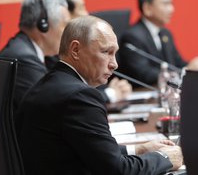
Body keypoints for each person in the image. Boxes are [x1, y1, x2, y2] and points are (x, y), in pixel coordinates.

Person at [16, 16, 183, 175]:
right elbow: (119, 171)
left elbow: (90, 151)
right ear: (75, 50)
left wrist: (139, 149)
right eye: (106, 52)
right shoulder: (79, 97)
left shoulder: (51, 83)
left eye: (114, 53)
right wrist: (165, 158)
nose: (114, 64)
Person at [52, 0, 132, 103]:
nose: (87, 13)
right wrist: (110, 94)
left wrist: (114, 89)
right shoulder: (54, 50)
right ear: (66, 14)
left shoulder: (89, 54)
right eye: (81, 7)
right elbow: (69, 95)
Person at [119, 0, 198, 85]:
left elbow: (177, 63)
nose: (171, 9)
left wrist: (195, 67)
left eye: (171, 4)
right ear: (147, 8)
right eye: (165, 4)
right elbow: (145, 74)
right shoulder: (132, 37)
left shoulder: (165, 33)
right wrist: (186, 71)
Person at [0, 0, 70, 109]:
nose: (69, 33)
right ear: (44, 25)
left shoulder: (24, 47)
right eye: (65, 25)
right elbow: (51, 106)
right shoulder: (24, 58)